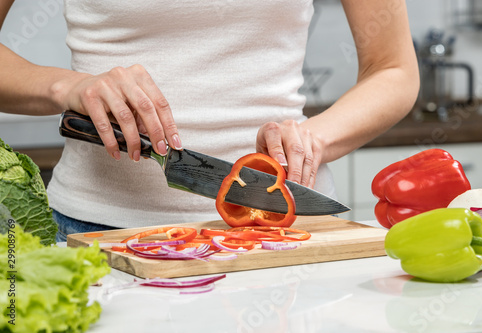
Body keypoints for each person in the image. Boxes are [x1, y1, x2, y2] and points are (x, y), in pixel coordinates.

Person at [0, 1, 419, 241]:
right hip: (95, 231)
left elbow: (393, 69)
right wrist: (65, 86)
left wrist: (315, 139)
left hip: (281, 227)